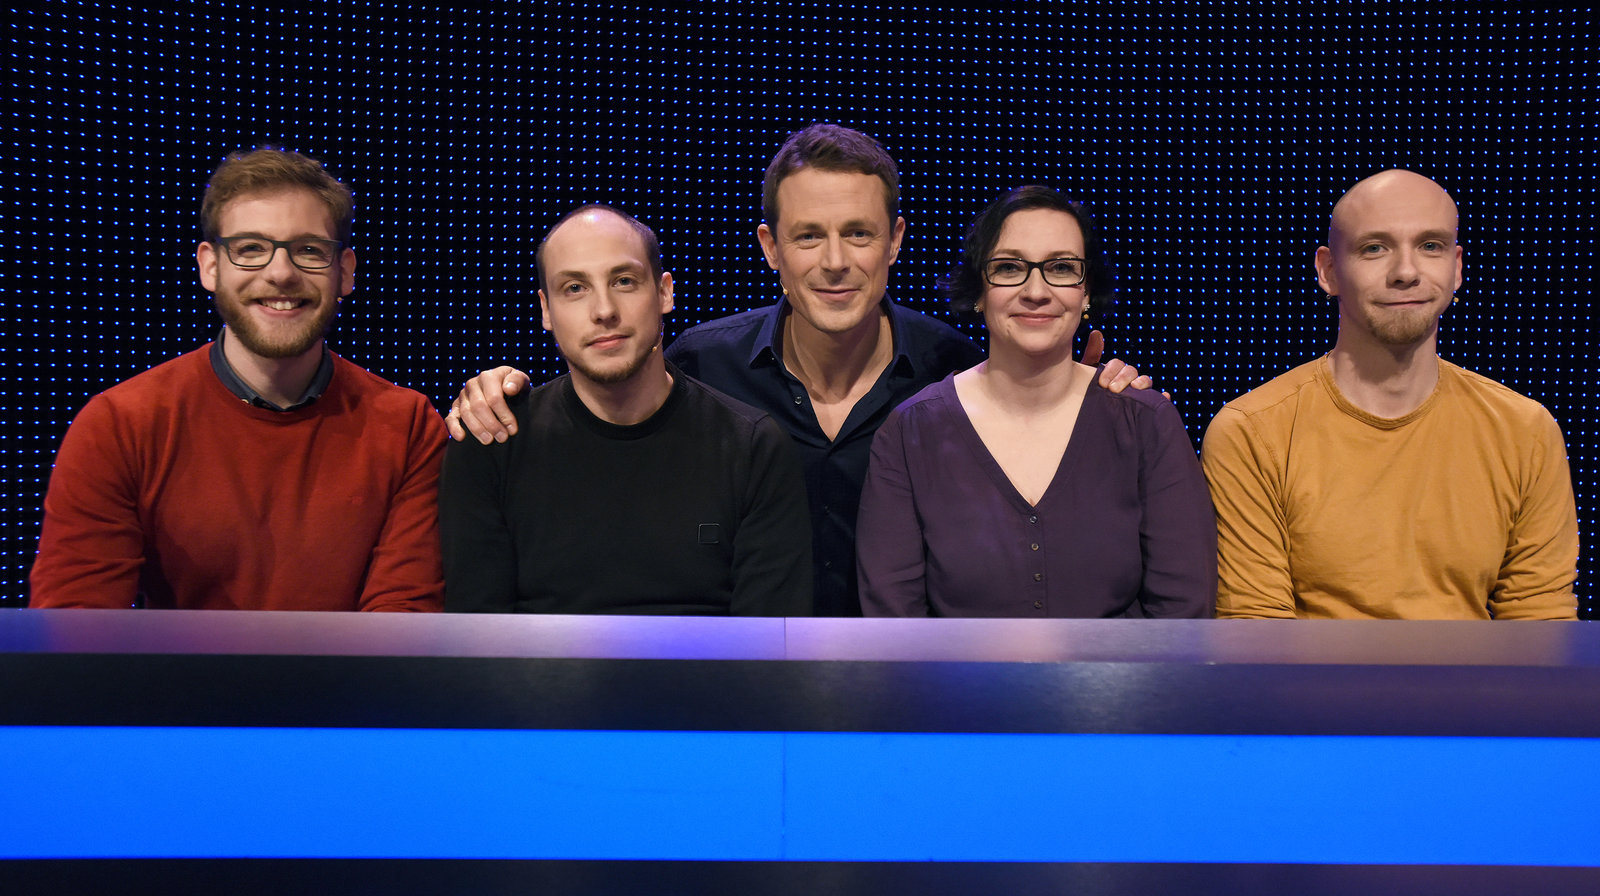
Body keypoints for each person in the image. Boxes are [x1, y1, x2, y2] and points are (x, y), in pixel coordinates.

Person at [446, 124, 1152, 616]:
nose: (835, 261)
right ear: (770, 248)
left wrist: (1087, 394)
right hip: (751, 688)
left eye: (858, 234)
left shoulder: (953, 370)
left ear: (895, 241)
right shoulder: (700, 362)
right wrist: (497, 388)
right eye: (809, 236)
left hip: (904, 688)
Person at [30, 148, 445, 611]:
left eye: (309, 250)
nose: (281, 273)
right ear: (210, 266)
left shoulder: (408, 426)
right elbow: (78, 625)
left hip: (362, 666)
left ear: (344, 271)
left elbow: (403, 621)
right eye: (250, 249)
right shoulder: (119, 424)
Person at [1201, 169, 1578, 619]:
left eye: (1430, 246)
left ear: (1456, 268)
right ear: (1328, 271)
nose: (1405, 272)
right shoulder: (1252, 432)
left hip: (1477, 671)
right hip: (1304, 671)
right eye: (1374, 248)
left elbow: (1540, 622)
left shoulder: (1525, 430)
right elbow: (1255, 631)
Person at [857, 186, 1215, 617]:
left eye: (1061, 268)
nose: (1036, 290)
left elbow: (1183, 611)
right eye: (1009, 268)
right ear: (978, 290)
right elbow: (895, 621)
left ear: (1086, 292)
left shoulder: (1146, 422)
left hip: (1127, 667)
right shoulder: (911, 433)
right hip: (949, 668)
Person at [438, 205, 812, 615]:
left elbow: (769, 642)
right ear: (546, 310)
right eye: (575, 288)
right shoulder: (493, 441)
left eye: (624, 281)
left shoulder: (752, 447)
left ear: (664, 292)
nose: (604, 310)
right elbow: (477, 634)